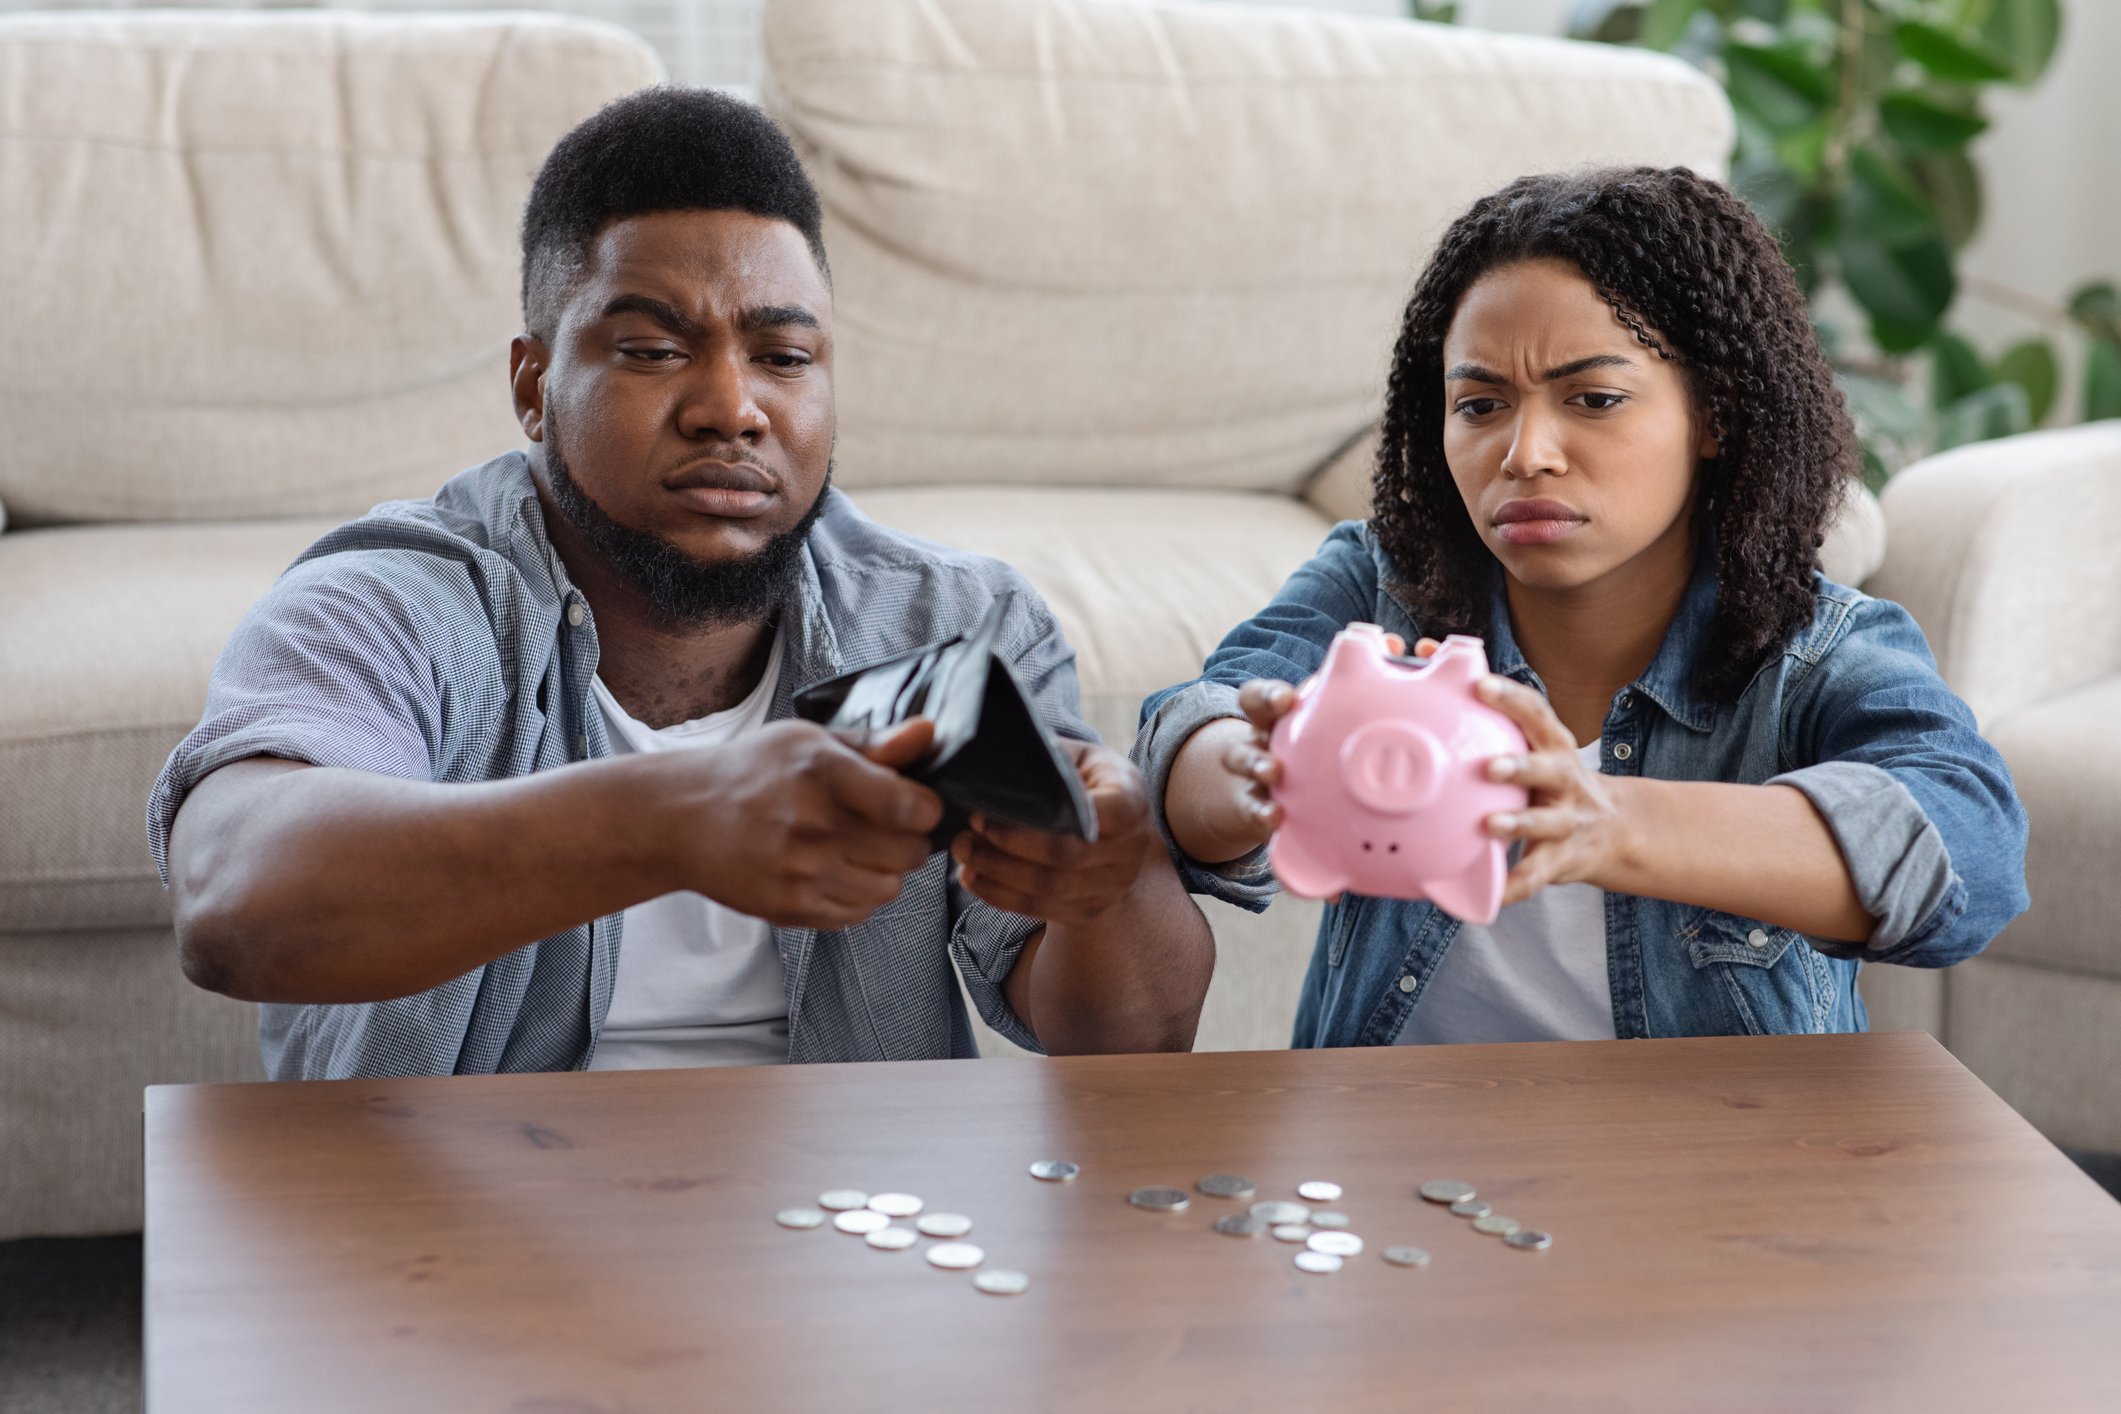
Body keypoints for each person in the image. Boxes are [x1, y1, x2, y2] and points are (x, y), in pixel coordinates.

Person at [151, 88, 1213, 1079]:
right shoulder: (397, 604)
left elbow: (1132, 1042)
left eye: (785, 359)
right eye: (655, 350)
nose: (732, 407)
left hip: (847, 1229)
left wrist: (1104, 886)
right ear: (534, 386)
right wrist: (676, 818)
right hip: (455, 1228)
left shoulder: (955, 628)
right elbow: (232, 901)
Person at [1135, 166, 2026, 1047]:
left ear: (1712, 414)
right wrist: (1261, 765)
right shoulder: (1380, 588)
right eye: (1479, 404)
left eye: (1592, 399)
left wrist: (1607, 821)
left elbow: (1970, 847)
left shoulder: (1814, 653)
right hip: (1389, 1154)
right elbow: (1189, 739)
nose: (1524, 453)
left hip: (1708, 1158)